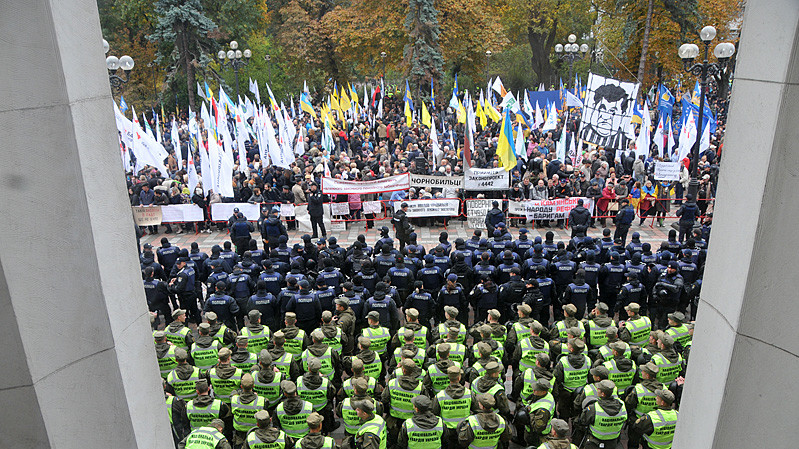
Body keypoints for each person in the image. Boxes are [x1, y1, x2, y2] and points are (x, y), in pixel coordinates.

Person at [572, 379, 627, 449]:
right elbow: (624, 419)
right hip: (613, 441)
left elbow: (583, 421)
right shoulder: (622, 405)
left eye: (599, 389)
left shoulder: (594, 408)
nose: (597, 389)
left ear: (603, 394)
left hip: (595, 441)